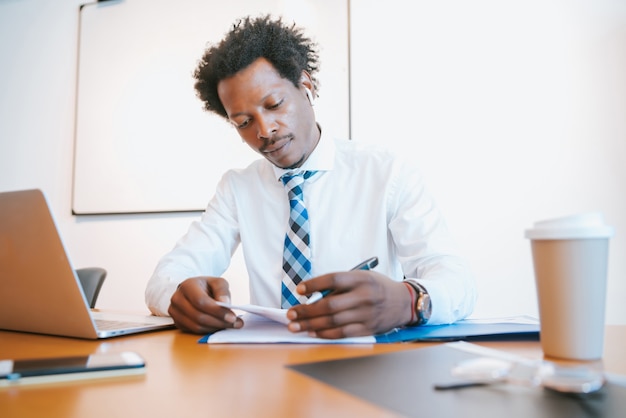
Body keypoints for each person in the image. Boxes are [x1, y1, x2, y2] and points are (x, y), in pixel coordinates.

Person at [145, 15, 476, 339]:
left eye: (274, 104)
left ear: (306, 85)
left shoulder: (386, 172)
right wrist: (178, 297)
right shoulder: (237, 188)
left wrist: (409, 300)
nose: (265, 130)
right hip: (273, 369)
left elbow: (455, 278)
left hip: (369, 365)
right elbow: (167, 276)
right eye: (243, 122)